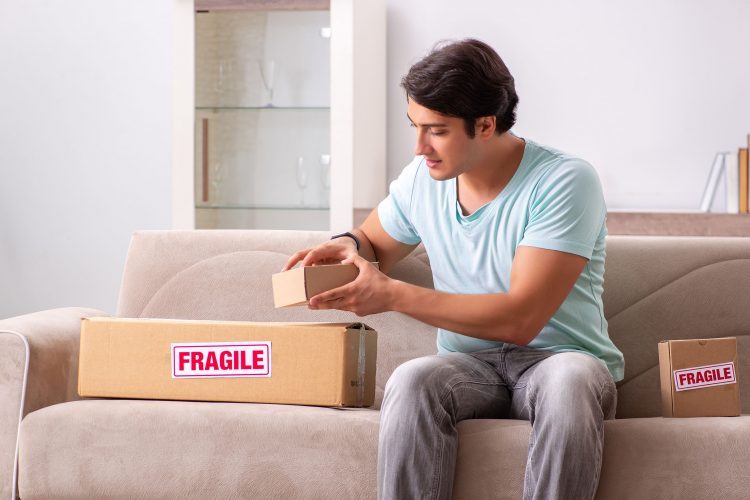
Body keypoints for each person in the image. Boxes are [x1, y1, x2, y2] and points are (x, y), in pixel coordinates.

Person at [282, 38, 624, 500]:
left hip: (557, 359)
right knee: (412, 378)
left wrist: (394, 295)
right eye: (415, 126)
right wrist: (344, 247)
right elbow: (372, 242)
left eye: (436, 130)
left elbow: (520, 319)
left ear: (485, 125)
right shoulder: (423, 179)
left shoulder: (564, 181)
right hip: (470, 367)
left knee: (569, 382)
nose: (420, 146)